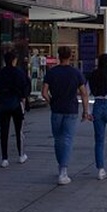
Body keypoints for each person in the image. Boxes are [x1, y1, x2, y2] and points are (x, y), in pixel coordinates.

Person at [42, 46, 91, 186]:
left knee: (58, 139)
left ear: (59, 56)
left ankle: (60, 166)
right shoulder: (76, 73)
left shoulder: (52, 72)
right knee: (68, 139)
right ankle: (63, 170)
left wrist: (51, 101)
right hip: (71, 109)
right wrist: (85, 111)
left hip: (56, 109)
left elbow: (44, 92)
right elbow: (84, 93)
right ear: (70, 57)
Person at [0, 51, 31, 168]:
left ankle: (4, 158)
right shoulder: (19, 73)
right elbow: (26, 87)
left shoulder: (0, 73)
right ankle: (21, 155)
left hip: (3, 103)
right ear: (14, 60)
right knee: (18, 130)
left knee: (4, 131)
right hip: (16, 103)